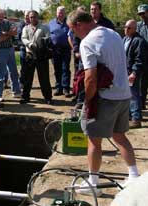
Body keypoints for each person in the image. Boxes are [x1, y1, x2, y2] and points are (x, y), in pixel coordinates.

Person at [67, 11, 139, 196]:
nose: (74, 35)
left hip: (105, 98)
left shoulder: (88, 42)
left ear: (78, 25)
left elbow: (90, 78)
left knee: (93, 141)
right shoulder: (114, 34)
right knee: (120, 136)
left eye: (72, 30)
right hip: (124, 95)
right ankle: (133, 176)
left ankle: (93, 184)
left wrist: (88, 101)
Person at [19, 10, 52, 104]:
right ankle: (25, 97)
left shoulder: (44, 27)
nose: (32, 18)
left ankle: (48, 97)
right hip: (30, 55)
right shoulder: (26, 28)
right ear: (28, 18)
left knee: (44, 78)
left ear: (38, 17)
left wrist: (43, 41)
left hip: (41, 55)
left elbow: (48, 37)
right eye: (30, 17)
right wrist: (30, 44)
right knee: (27, 78)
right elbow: (23, 38)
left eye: (34, 17)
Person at [0, 8, 21, 102]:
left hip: (10, 49)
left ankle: (16, 91)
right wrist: (9, 34)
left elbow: (15, 32)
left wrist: (5, 33)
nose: (0, 17)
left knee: (13, 71)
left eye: (2, 15)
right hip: (0, 51)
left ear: (4, 15)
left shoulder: (7, 22)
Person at [123, 20, 148, 129]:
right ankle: (129, 116)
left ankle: (136, 119)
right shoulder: (124, 39)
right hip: (125, 72)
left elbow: (140, 60)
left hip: (133, 73)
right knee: (127, 95)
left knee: (133, 95)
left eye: (129, 28)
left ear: (135, 29)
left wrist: (134, 72)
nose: (126, 29)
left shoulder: (139, 41)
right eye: (125, 27)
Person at [49, 6, 72, 97]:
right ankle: (59, 88)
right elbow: (48, 35)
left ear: (65, 13)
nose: (61, 14)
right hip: (55, 50)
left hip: (66, 49)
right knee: (57, 69)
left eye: (62, 12)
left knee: (65, 69)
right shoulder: (51, 23)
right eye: (59, 12)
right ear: (56, 13)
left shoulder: (69, 22)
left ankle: (66, 88)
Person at [137, 4, 148, 109]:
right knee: (142, 83)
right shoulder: (139, 26)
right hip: (144, 58)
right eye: (140, 14)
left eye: (143, 13)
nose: (142, 16)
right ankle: (142, 103)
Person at [17, 10, 30, 88]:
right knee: (23, 66)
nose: (27, 17)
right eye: (26, 15)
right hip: (23, 48)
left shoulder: (32, 24)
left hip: (32, 49)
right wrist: (25, 44)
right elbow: (19, 38)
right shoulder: (21, 25)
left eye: (28, 15)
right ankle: (21, 82)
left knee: (30, 67)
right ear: (24, 16)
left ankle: (28, 82)